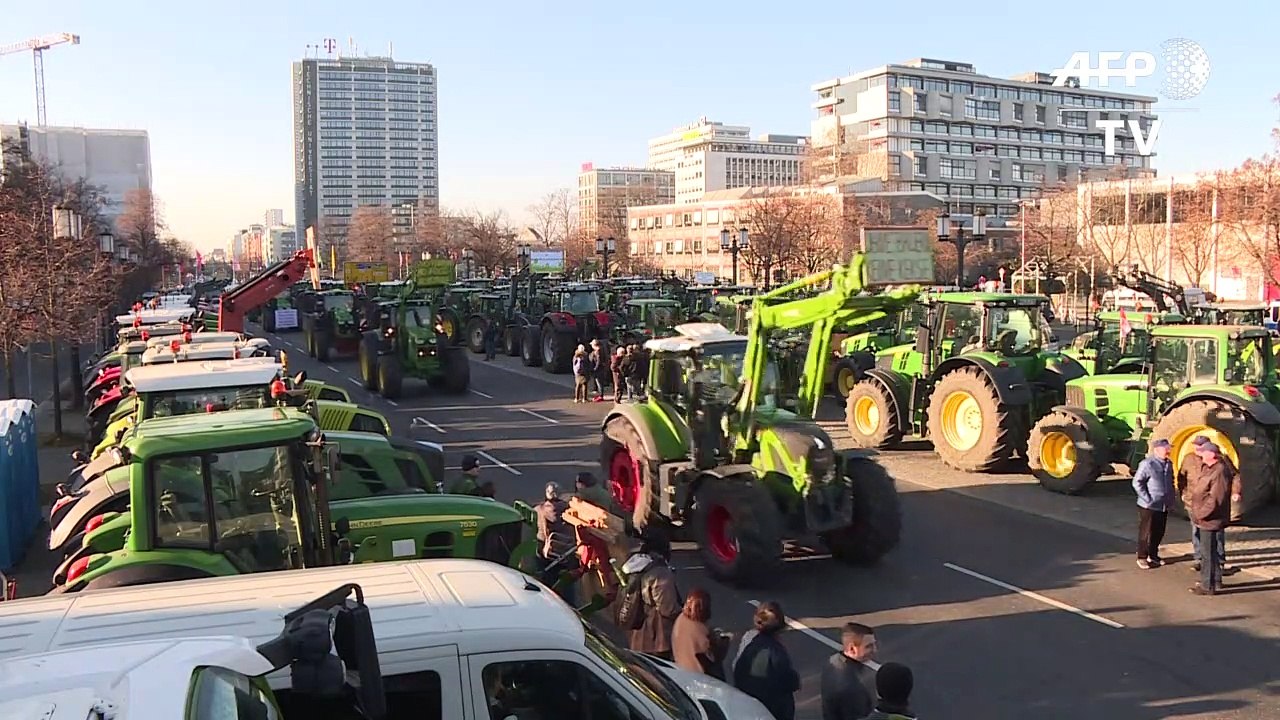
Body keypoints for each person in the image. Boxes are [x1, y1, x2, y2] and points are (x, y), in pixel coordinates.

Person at [1187, 442, 1241, 595]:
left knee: (1208, 553)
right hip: (1209, 517)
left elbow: (1215, 499)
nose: (1201, 454)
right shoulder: (1211, 468)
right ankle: (1215, 581)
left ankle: (1207, 585)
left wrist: (1200, 514)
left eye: (1203, 452)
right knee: (1211, 551)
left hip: (1210, 519)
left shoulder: (1219, 471)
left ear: (1211, 454)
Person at [733, 601, 800, 720]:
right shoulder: (776, 652)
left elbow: (737, 671)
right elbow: (790, 681)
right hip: (771, 709)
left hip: (748, 705)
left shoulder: (750, 645)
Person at [624, 530, 681, 661]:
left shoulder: (635, 565)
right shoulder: (660, 574)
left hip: (636, 633)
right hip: (655, 639)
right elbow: (668, 608)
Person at [820, 622, 879, 720]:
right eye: (869, 646)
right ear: (852, 648)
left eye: (874, 644)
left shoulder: (832, 661)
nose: (875, 650)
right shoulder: (853, 688)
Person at [534, 482, 578, 605]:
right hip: (566, 552)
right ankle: (570, 605)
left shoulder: (539, 510)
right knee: (568, 580)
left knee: (545, 576)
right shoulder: (570, 510)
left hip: (545, 553)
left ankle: (546, 602)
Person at [1133, 438, 1174, 569]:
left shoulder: (1169, 464)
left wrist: (1171, 498)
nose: (1168, 451)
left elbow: (1171, 482)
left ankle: (1153, 554)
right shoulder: (1147, 464)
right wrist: (1147, 498)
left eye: (1169, 448)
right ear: (1157, 450)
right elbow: (1137, 482)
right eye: (1166, 448)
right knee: (1146, 531)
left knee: (1159, 531)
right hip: (1148, 505)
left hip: (1163, 504)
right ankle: (1142, 557)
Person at [672, 588, 730, 680]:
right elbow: (712, 657)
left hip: (681, 666)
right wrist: (724, 642)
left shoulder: (681, 618)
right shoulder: (700, 632)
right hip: (699, 675)